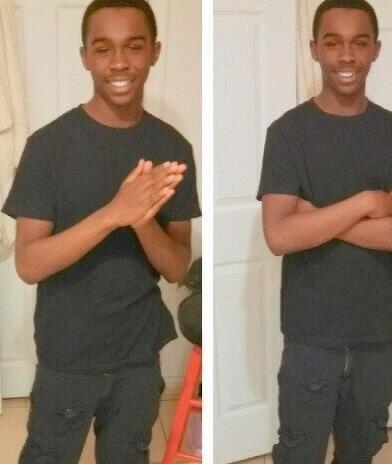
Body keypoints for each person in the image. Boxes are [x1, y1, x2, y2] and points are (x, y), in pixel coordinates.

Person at [2, 0, 201, 463]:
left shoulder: (172, 147)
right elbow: (29, 264)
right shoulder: (48, 147)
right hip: (67, 356)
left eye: (134, 46)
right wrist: (113, 213)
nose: (119, 63)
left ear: (154, 51)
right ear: (85, 56)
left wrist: (141, 219)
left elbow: (177, 267)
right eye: (103, 48)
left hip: (138, 355)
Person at [257, 0, 392, 463]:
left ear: (376, 50)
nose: (346, 56)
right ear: (314, 49)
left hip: (376, 332)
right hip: (310, 335)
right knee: (299, 454)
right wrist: (366, 203)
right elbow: (279, 236)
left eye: (359, 43)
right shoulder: (287, 134)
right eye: (333, 43)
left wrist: (317, 219)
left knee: (360, 453)